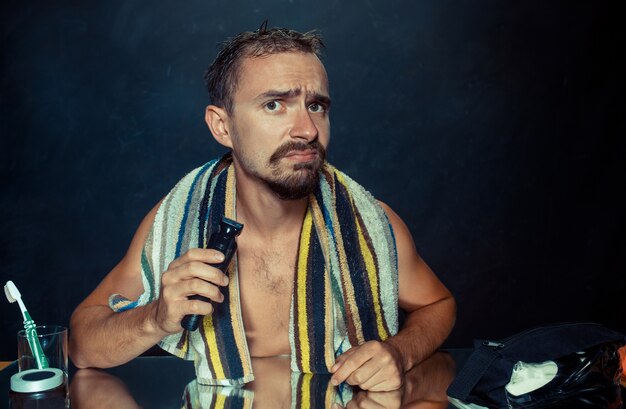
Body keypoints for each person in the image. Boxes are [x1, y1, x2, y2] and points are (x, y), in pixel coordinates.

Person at [69, 25, 456, 392]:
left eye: (317, 105)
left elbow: (439, 304)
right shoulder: (175, 222)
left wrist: (399, 352)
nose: (306, 129)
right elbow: (82, 345)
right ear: (222, 127)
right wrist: (154, 318)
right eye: (274, 105)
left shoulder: (371, 224)